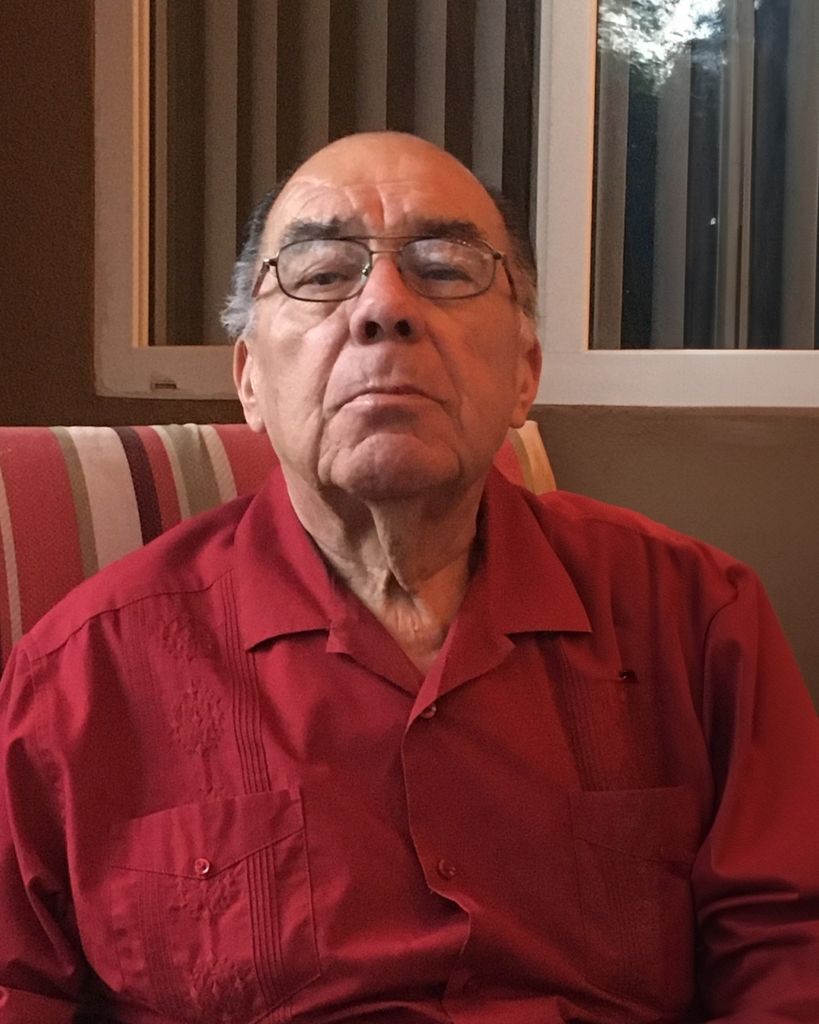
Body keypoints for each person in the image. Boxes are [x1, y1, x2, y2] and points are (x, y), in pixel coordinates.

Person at [1, 131, 818, 1024]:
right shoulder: (84, 673)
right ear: (250, 382)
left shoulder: (693, 616)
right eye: (321, 273)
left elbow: (789, 952)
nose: (384, 307)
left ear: (523, 375)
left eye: (444, 269)